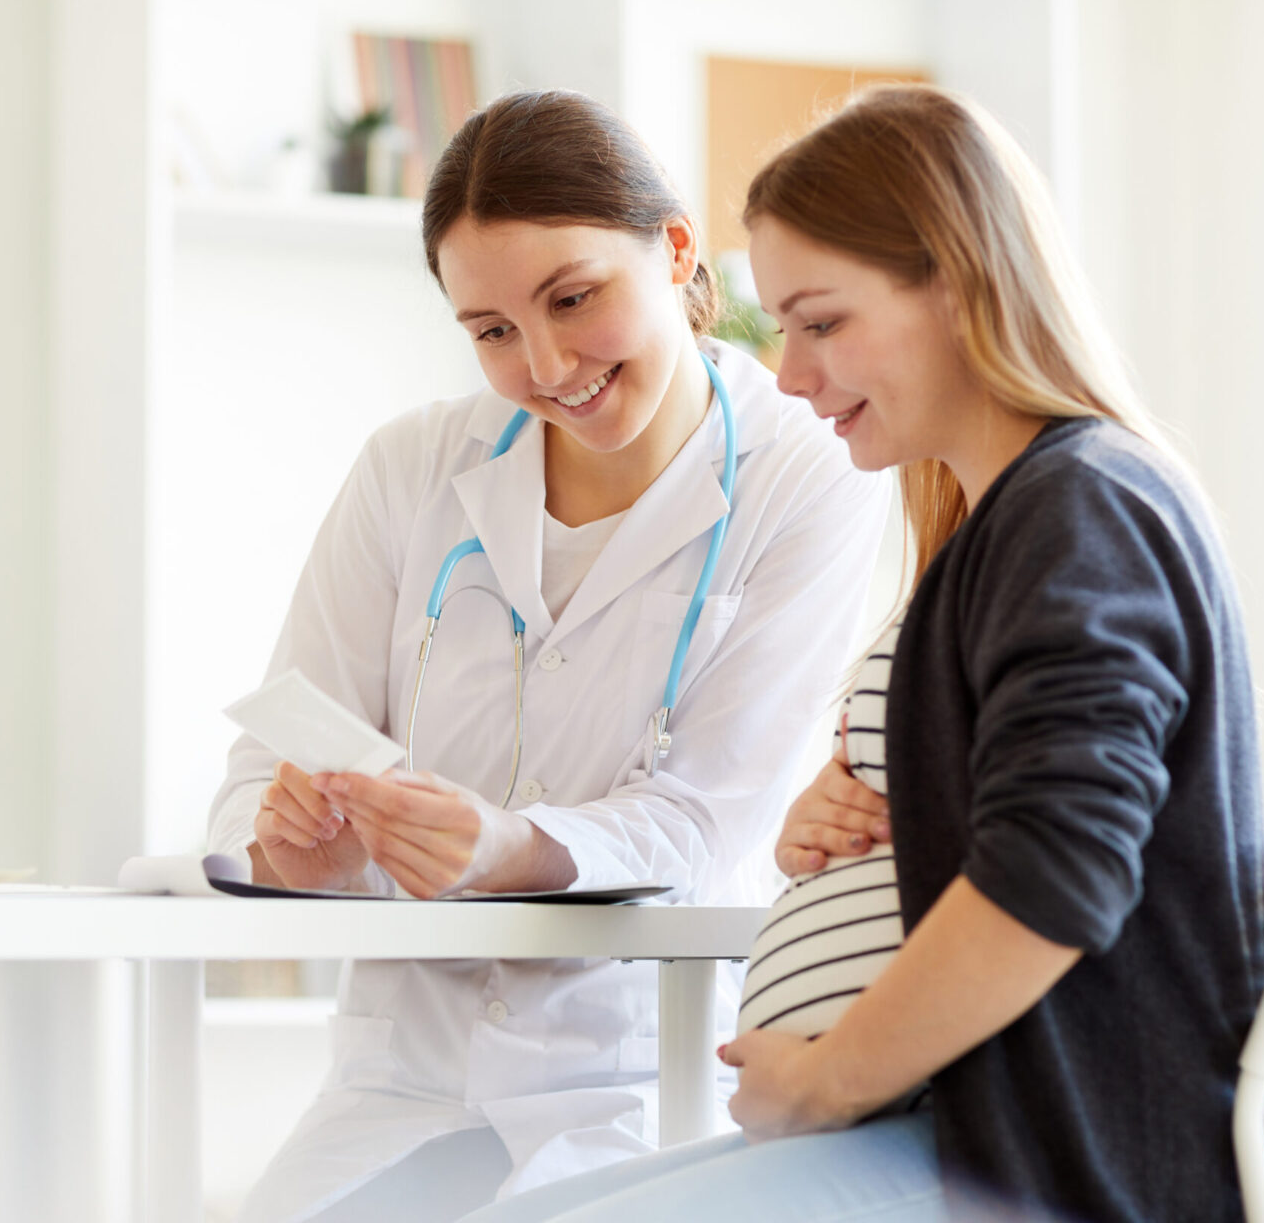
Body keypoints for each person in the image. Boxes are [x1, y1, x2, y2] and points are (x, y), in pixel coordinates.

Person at [464, 83, 1264, 1223]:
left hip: (1048, 1164)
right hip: (963, 1133)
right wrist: (885, 820)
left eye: (821, 321)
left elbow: (1058, 871)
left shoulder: (1081, 512)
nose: (794, 378)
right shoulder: (1007, 524)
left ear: (957, 282)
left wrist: (829, 1074)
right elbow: (1048, 817)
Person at [205, 90, 890, 1223]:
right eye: (491, 331)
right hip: (404, 1072)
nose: (547, 361)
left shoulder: (802, 466)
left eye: (574, 298)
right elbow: (257, 774)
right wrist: (293, 853)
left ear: (674, 251)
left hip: (637, 1070)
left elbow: (713, 821)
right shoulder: (412, 468)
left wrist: (504, 845)